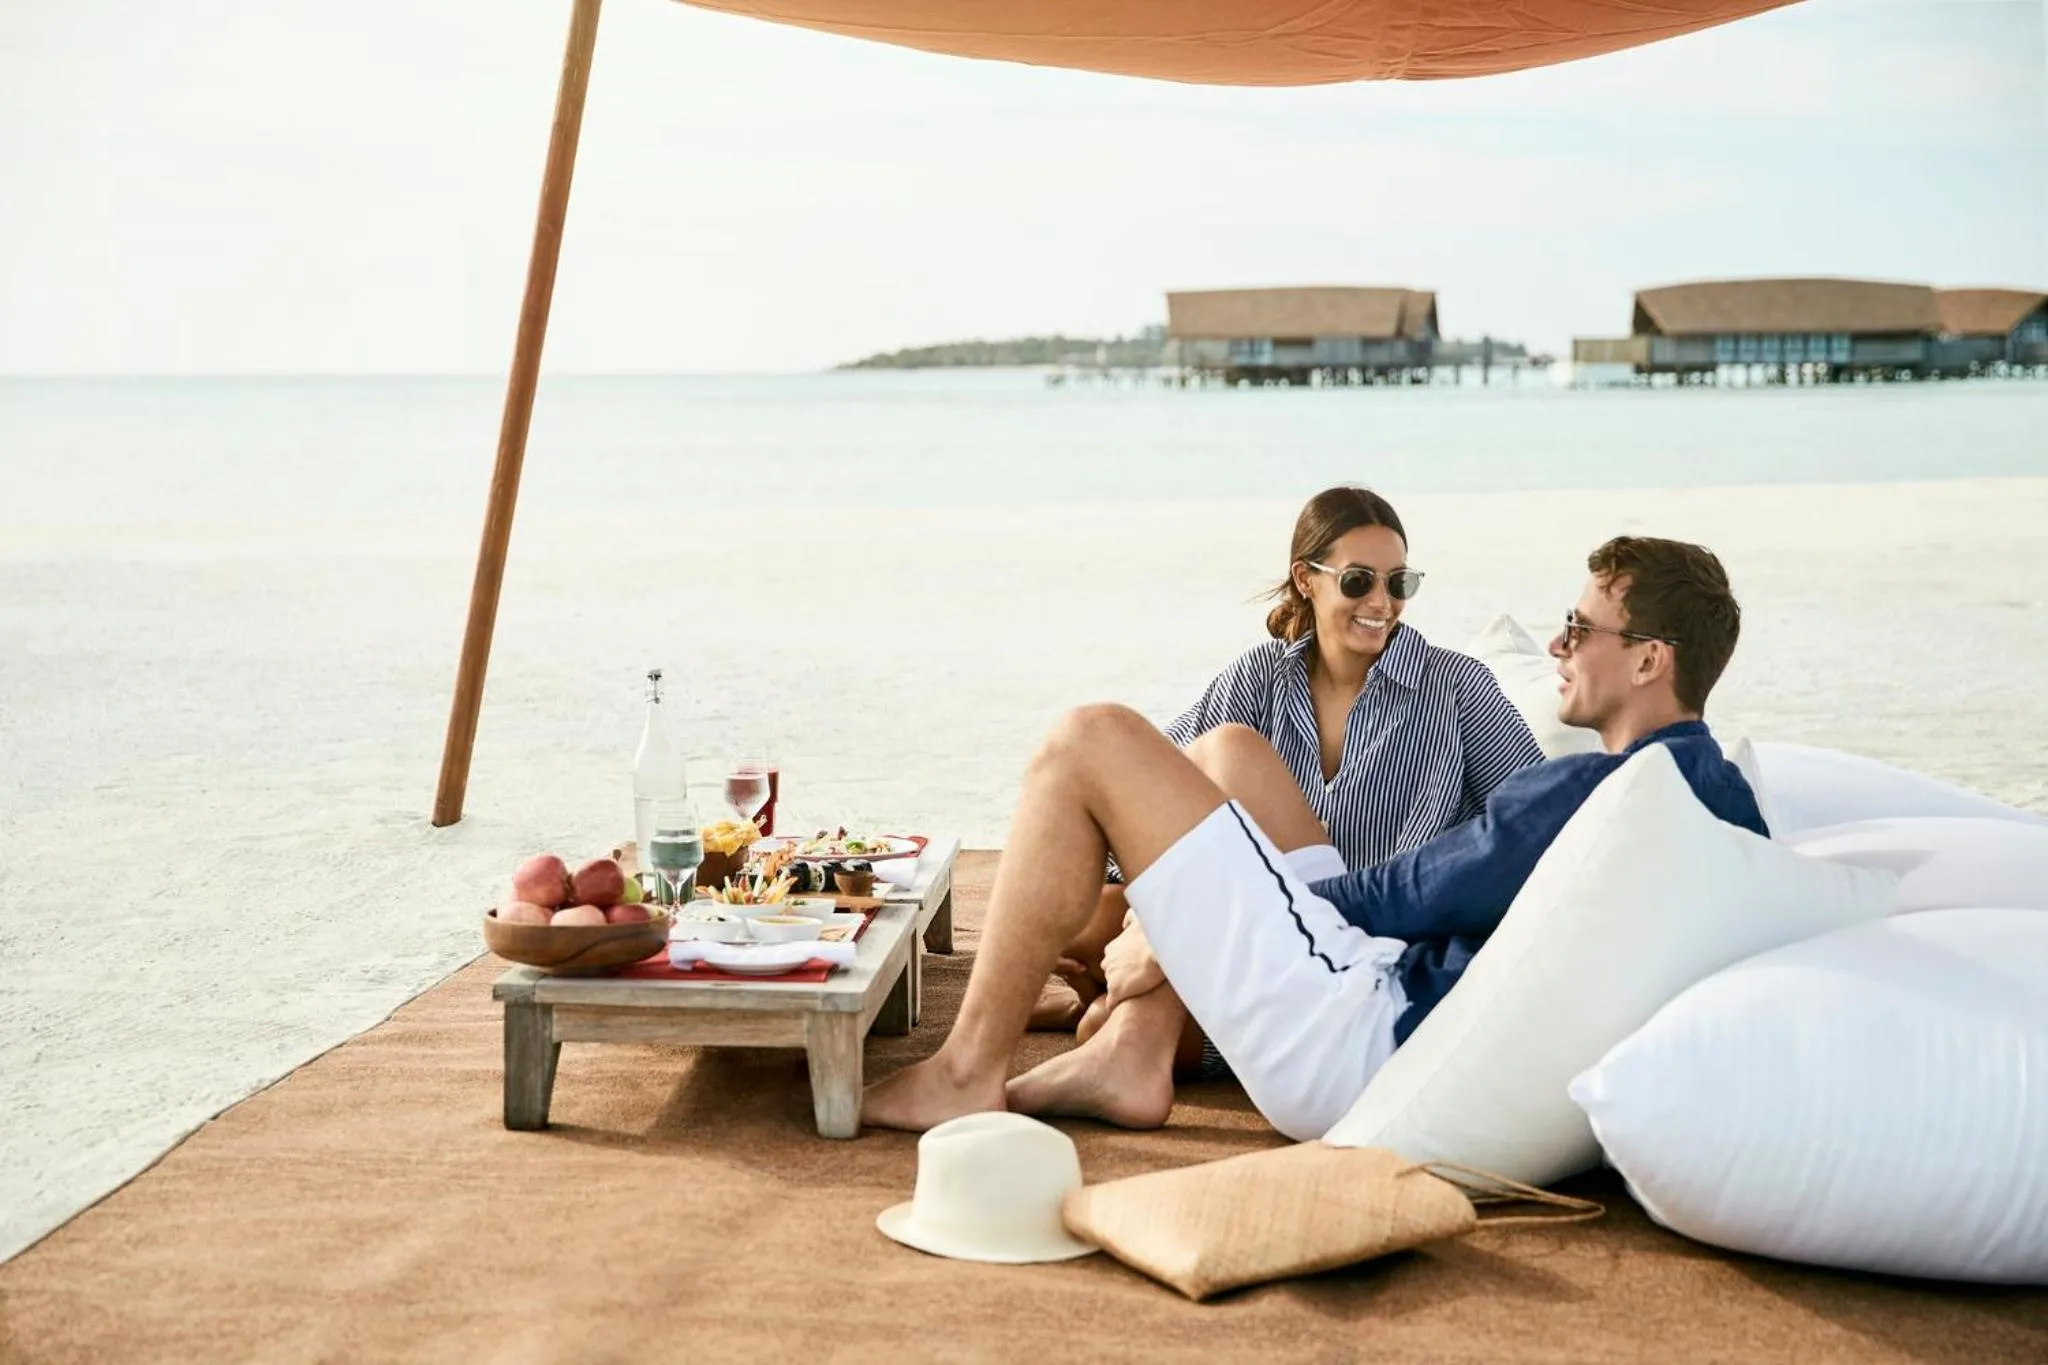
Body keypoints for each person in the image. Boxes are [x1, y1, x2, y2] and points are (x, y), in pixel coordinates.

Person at [864, 536, 1766, 1139]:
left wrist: (1182, 937)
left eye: (1580, 626)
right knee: (1232, 752)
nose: (1562, 644)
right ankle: (1131, 1052)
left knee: (1085, 739)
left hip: (1360, 1028)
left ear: (1651, 657)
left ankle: (967, 1068)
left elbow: (1422, 890)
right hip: (1395, 995)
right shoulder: (1717, 795)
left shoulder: (1603, 789)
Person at [1040, 486, 1542, 1030]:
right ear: (1307, 579)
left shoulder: (1459, 688)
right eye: (1358, 580)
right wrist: (1136, 906)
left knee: (1103, 1018)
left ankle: (1124, 1007)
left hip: (1374, 947)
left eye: (1399, 582)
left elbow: (1540, 821)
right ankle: (1132, 997)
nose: (1382, 602)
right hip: (1245, 929)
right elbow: (1151, 797)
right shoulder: (1259, 678)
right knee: (1083, 917)